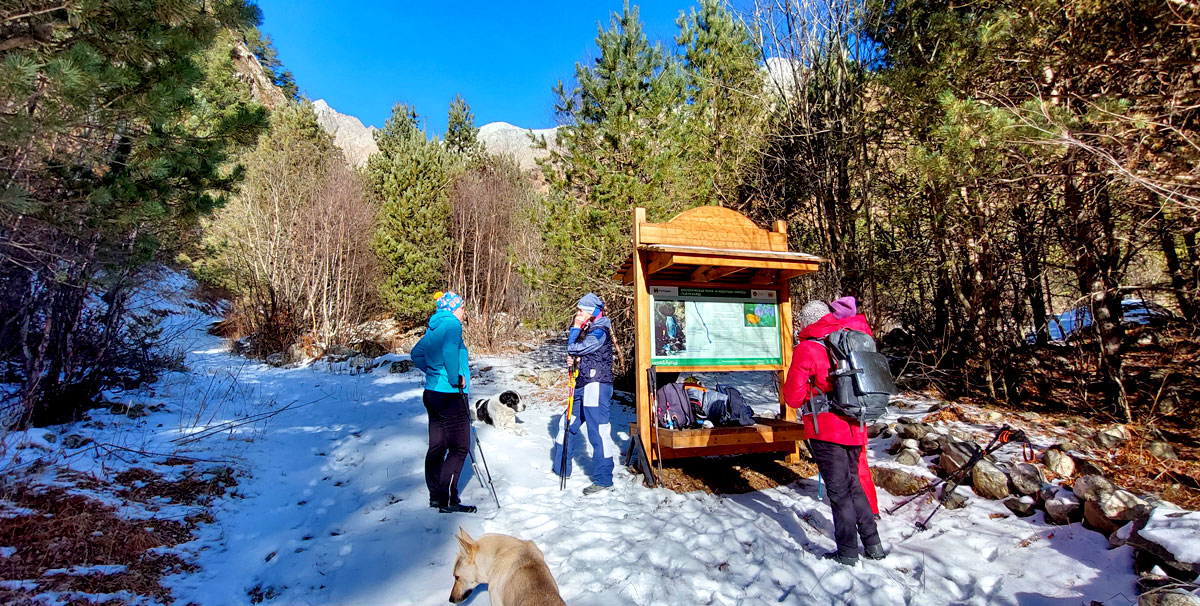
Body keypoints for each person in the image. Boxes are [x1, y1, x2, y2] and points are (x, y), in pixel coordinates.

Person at [782, 298, 886, 565]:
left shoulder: (808, 348)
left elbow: (792, 397)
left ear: (806, 322)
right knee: (855, 486)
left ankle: (847, 552)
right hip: (855, 423)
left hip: (826, 430)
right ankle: (873, 545)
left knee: (839, 493)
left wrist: (810, 393)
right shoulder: (849, 339)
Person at [411, 291, 475, 514]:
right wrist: (453, 377)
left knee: (437, 446)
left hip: (432, 393)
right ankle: (449, 500)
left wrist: (432, 372)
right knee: (460, 447)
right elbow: (449, 351)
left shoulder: (434, 326)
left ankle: (436, 497)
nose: (464, 311)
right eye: (463, 307)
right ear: (453, 308)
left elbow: (416, 353)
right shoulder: (452, 325)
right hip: (450, 394)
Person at [551, 293, 617, 495]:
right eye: (578, 310)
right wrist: (574, 360)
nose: (577, 314)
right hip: (583, 383)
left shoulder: (600, 330)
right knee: (566, 423)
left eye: (581, 311)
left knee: (598, 431)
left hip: (596, 386)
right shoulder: (590, 329)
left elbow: (575, 346)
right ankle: (561, 468)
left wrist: (575, 330)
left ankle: (604, 479)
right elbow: (577, 352)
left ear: (591, 313)